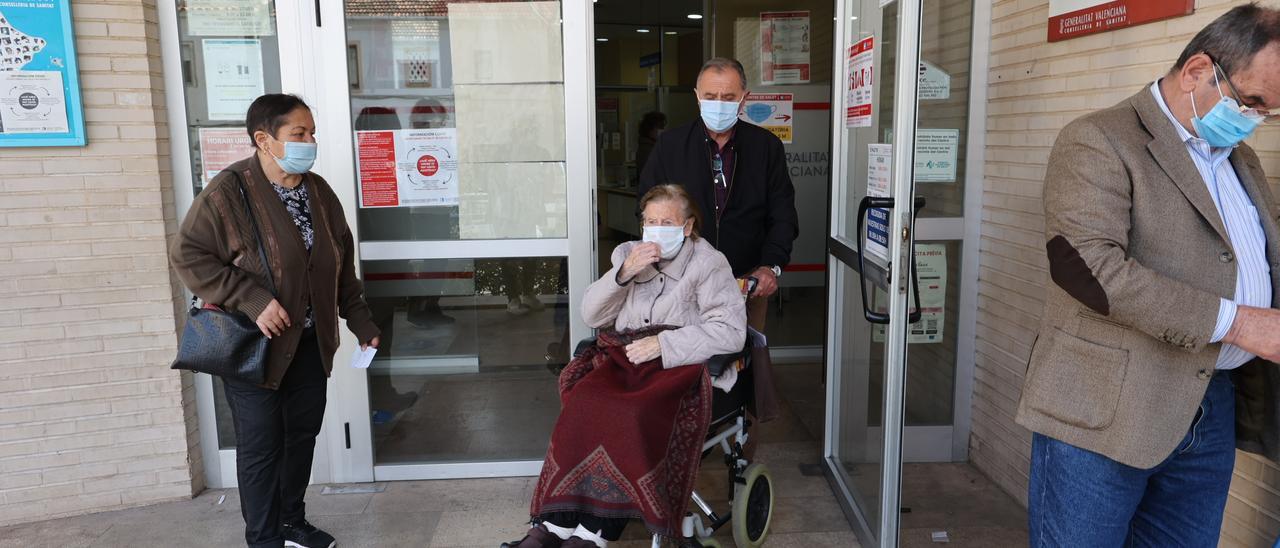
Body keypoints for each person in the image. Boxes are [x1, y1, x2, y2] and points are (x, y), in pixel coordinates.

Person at [1016, 5, 1280, 546]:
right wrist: (1239, 323)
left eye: (1271, 112)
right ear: (1197, 72)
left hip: (1210, 406)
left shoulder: (1239, 159)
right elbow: (1088, 269)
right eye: (1252, 102)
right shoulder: (1098, 139)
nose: (1257, 120)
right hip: (1106, 412)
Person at [170, 94, 381, 548]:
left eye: (312, 133)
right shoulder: (228, 192)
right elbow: (189, 255)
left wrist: (360, 320)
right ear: (264, 140)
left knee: (301, 436)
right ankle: (263, 538)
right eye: (299, 134)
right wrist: (252, 297)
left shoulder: (318, 192)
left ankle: (291, 521)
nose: (310, 142)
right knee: (262, 447)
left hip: (308, 342)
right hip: (255, 346)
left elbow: (339, 263)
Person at [503, 184, 746, 547]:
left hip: (677, 366)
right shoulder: (629, 255)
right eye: (650, 221)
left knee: (625, 413)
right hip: (626, 358)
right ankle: (555, 523)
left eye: (667, 221)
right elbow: (591, 314)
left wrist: (663, 344)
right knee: (583, 401)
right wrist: (623, 274)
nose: (656, 228)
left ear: (688, 227)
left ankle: (596, 530)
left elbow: (730, 332)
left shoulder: (708, 264)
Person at [638, 57, 798, 332]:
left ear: (744, 99)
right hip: (682, 282)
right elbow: (645, 208)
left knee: (744, 363)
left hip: (747, 282)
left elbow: (783, 215)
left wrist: (771, 266)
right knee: (686, 363)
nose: (719, 103)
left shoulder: (766, 147)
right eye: (711, 96)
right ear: (698, 97)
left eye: (728, 96)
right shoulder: (670, 145)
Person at [634, 110, 665, 179]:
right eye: (660, 127)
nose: (663, 130)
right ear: (650, 129)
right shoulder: (648, 150)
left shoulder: (649, 146)